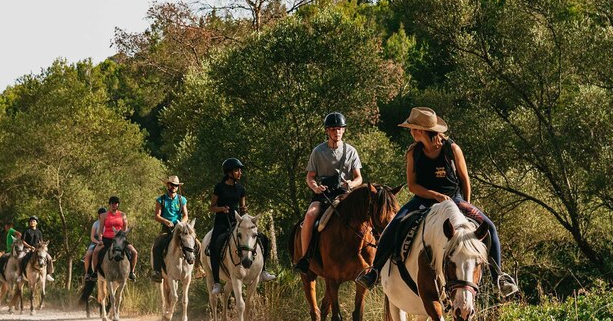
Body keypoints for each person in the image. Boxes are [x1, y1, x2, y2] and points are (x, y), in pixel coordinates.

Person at [355, 107, 518, 296]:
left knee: (489, 226)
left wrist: (465, 205)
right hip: (423, 200)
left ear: (424, 130)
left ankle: (499, 277)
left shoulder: (452, 149)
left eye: (413, 128)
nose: (411, 131)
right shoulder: (413, 152)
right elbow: (413, 186)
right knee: (396, 224)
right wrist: (435, 196)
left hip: (454, 199)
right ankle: (374, 271)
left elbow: (465, 180)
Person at [293, 112, 363, 274]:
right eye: (333, 129)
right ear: (327, 131)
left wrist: (351, 183)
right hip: (324, 193)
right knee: (310, 215)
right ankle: (305, 258)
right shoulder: (318, 152)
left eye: (339, 129)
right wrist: (315, 187)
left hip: (344, 193)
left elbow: (359, 177)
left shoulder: (351, 151)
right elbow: (310, 177)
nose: (336, 132)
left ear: (344, 130)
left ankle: (370, 258)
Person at [208, 158, 276, 295]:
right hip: (222, 221)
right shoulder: (219, 187)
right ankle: (216, 282)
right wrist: (221, 209)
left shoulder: (241, 189)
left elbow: (242, 207)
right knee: (214, 245)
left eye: (240, 170)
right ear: (229, 173)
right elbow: (212, 207)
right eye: (237, 170)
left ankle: (263, 271)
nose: (240, 173)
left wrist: (244, 210)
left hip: (237, 222)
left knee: (263, 238)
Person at [150, 175, 189, 282]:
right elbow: (156, 216)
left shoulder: (182, 200)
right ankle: (157, 271)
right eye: (172, 184)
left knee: (195, 242)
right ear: (168, 185)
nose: (174, 187)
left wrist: (181, 223)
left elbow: (186, 215)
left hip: (180, 227)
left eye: (176, 185)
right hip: (166, 229)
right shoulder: (161, 199)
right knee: (157, 245)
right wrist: (166, 221)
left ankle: (198, 267)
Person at [91, 196, 138, 281]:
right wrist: (100, 240)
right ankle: (94, 272)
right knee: (95, 252)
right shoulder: (104, 216)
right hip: (107, 239)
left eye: (116, 203)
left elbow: (125, 229)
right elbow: (100, 230)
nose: (114, 205)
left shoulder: (123, 215)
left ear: (118, 204)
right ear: (109, 204)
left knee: (134, 252)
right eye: (112, 203)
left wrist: (123, 238)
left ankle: (131, 272)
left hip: (119, 240)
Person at [20, 216, 55, 282]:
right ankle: (20, 275)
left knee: (49, 258)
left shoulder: (39, 232)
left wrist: (41, 248)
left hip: (38, 250)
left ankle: (48, 274)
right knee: (20, 258)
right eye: (30, 221)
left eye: (33, 221)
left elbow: (41, 242)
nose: (32, 222)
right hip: (28, 249)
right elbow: (23, 241)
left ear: (36, 223)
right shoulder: (26, 231)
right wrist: (30, 247)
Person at [83, 207, 107, 280]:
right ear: (99, 215)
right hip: (96, 241)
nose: (103, 215)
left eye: (104, 214)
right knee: (88, 255)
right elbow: (92, 237)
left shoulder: (108, 223)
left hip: (106, 240)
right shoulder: (96, 224)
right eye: (101, 214)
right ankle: (87, 273)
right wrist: (97, 242)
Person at [0, 220, 20, 284]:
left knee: (0, 260)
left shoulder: (11, 230)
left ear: (8, 226)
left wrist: (16, 242)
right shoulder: (9, 232)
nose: (5, 227)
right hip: (8, 251)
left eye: (5, 226)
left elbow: (19, 234)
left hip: (11, 252)